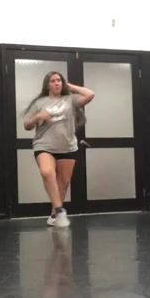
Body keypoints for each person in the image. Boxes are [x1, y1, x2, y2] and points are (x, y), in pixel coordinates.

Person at [23, 72, 94, 228]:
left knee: (63, 183)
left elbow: (90, 94)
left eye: (59, 80)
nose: (56, 83)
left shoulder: (71, 100)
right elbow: (27, 125)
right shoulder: (39, 103)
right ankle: (59, 210)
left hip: (67, 147)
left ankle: (54, 215)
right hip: (44, 146)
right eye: (53, 81)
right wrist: (38, 116)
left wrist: (70, 86)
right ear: (47, 84)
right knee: (47, 172)